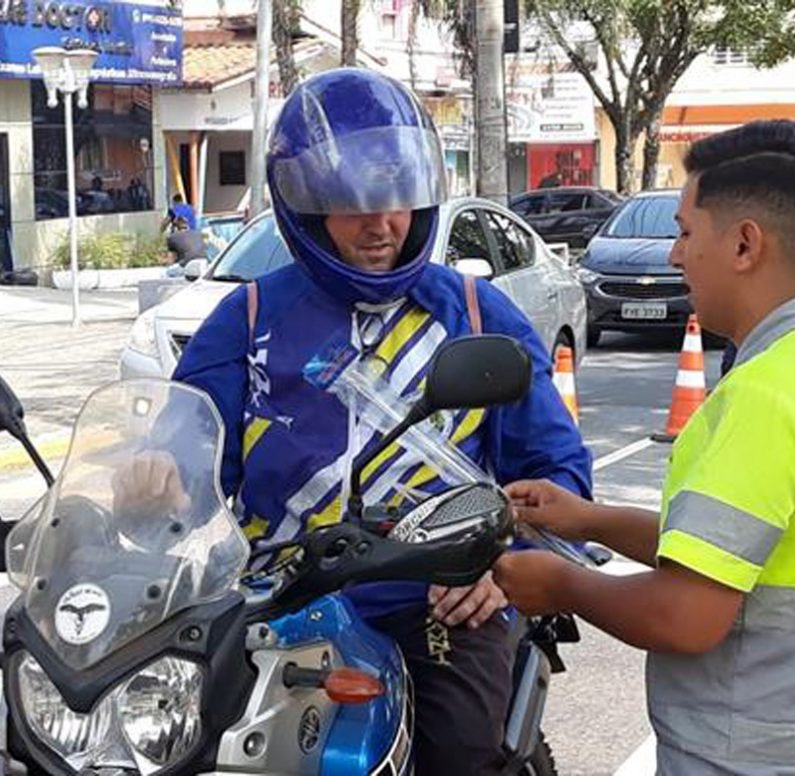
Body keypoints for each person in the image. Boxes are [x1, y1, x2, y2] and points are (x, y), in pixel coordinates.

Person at [170, 68, 593, 773]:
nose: (382, 223)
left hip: (433, 599)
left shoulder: (478, 316)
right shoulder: (245, 321)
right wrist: (156, 481)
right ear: (304, 207)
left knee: (461, 753)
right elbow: (186, 456)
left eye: (397, 199)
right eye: (352, 202)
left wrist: (503, 566)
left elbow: (557, 475)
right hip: (276, 602)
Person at [493, 120, 795, 774]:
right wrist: (589, 518)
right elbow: (743, 554)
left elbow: (687, 615)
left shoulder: (766, 396)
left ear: (745, 244)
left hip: (756, 753)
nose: (672, 256)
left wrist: (561, 584)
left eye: (687, 233)